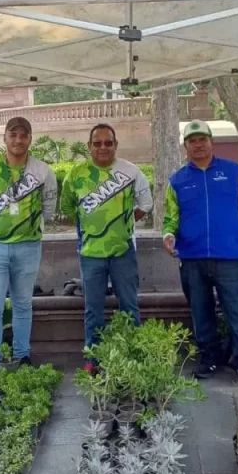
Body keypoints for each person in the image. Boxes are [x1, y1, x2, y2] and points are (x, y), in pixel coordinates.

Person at [162, 120, 238, 381]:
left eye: (202, 139)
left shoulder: (233, 171)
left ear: (211, 142)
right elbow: (171, 218)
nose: (198, 145)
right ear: (185, 146)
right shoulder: (176, 181)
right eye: (192, 141)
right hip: (191, 257)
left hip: (228, 256)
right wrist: (168, 236)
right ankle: (210, 359)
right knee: (201, 313)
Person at [0, 116, 57, 367]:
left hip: (28, 247)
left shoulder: (42, 171)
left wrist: (33, 226)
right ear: (5, 137)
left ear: (30, 139)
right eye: (13, 135)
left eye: (23, 135)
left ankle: (22, 356)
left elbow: (49, 207)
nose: (18, 140)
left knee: (22, 304)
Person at [61, 123, 153, 352]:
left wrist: (124, 222)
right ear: (89, 146)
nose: (103, 147)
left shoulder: (131, 171)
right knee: (93, 311)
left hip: (123, 252)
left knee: (130, 308)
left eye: (108, 143)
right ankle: (94, 359)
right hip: (90, 254)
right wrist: (92, 225)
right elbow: (68, 209)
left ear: (116, 145)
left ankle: (133, 357)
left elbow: (146, 204)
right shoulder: (75, 175)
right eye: (98, 143)